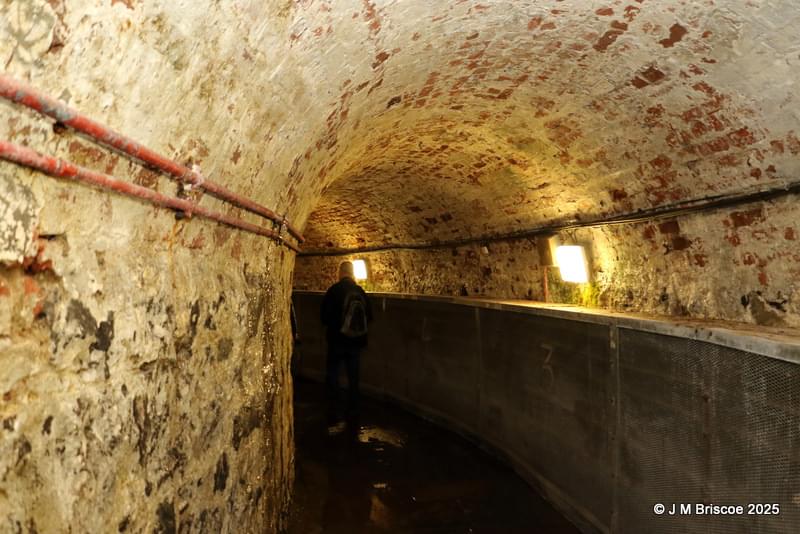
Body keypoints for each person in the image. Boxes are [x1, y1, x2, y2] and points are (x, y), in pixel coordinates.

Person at [320, 261, 372, 417]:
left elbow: (324, 317)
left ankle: (333, 408)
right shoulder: (360, 291)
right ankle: (353, 408)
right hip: (355, 342)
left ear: (340, 272)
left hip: (337, 341)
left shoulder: (333, 291)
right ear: (352, 273)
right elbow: (369, 316)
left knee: (333, 373)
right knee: (353, 376)